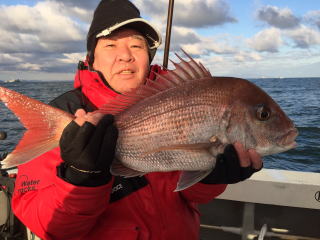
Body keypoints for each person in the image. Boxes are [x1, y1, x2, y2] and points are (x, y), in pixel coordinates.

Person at [11, 0, 263, 239]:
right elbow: (49, 227)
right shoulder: (67, 115)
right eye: (110, 45)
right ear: (91, 58)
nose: (125, 55)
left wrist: (211, 178)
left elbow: (186, 195)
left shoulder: (177, 100)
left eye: (137, 45)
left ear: (148, 56)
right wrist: (80, 177)